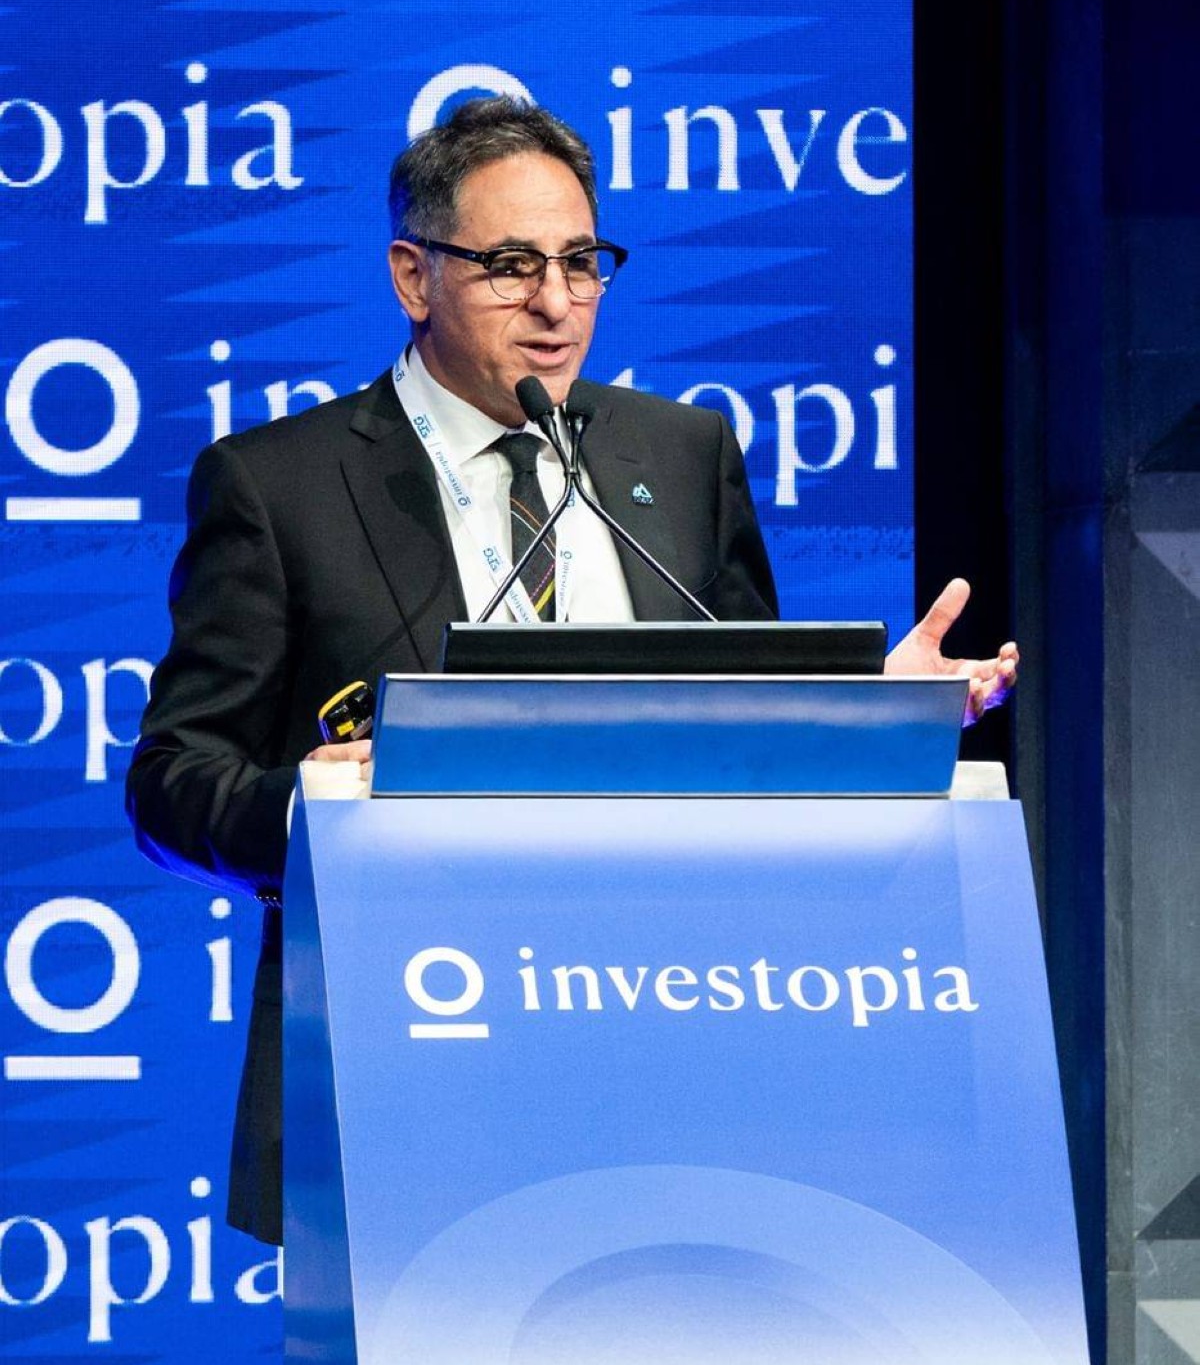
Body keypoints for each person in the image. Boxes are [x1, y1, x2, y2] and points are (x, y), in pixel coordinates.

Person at [127, 95, 1017, 1247]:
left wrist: (863, 717)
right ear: (413, 276)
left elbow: (743, 732)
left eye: (582, 262)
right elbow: (173, 781)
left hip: (671, 1040)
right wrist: (312, 806)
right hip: (408, 1058)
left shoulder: (678, 455)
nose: (557, 303)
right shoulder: (279, 486)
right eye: (511, 266)